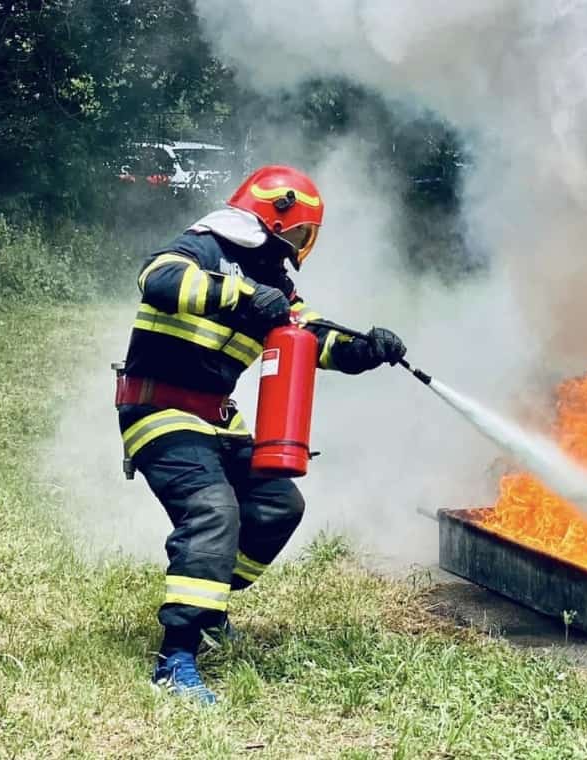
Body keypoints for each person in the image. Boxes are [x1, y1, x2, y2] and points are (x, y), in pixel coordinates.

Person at [114, 165, 407, 704]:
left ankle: (208, 606)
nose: (302, 243)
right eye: (301, 231)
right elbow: (156, 278)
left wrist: (364, 350)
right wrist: (238, 295)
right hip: (159, 410)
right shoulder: (204, 245)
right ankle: (175, 658)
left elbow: (310, 337)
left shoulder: (276, 282)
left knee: (277, 504)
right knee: (213, 511)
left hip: (216, 419)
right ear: (277, 216)